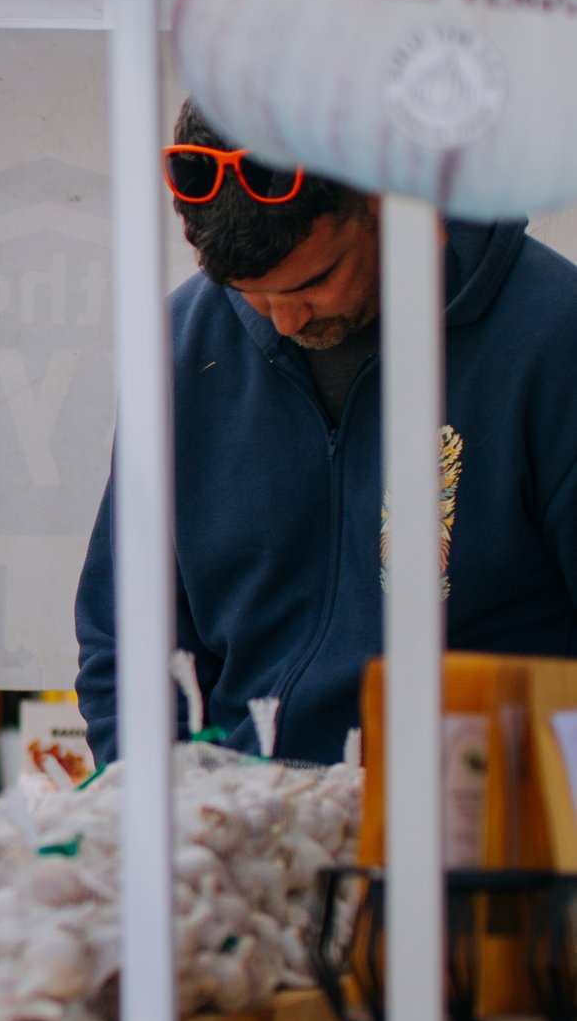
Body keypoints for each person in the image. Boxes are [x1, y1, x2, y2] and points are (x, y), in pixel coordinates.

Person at [76, 100, 577, 767]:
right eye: (248, 293)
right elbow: (126, 634)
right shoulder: (181, 346)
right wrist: (151, 811)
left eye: (314, 281)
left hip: (485, 832)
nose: (285, 320)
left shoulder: (551, 335)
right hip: (245, 837)